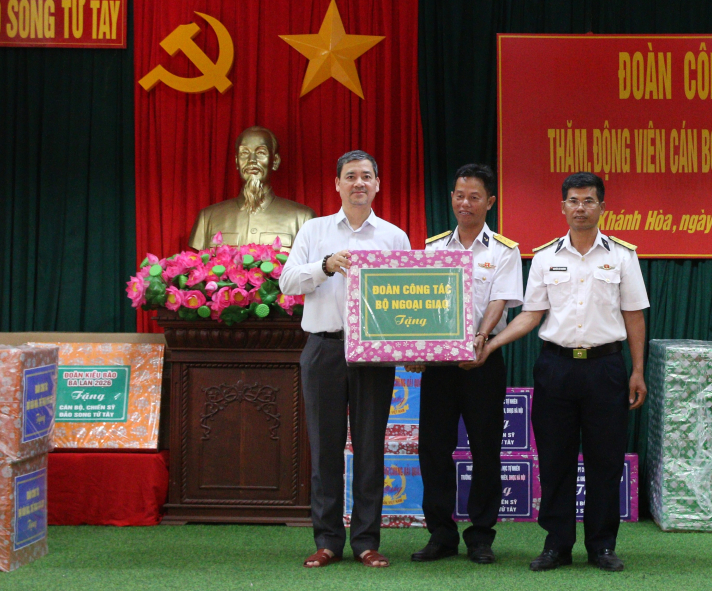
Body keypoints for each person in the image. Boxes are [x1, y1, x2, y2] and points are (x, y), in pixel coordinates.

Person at [472, 171, 648, 572]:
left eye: (588, 201)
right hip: (556, 367)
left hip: (606, 367)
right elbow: (530, 315)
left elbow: (634, 315)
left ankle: (602, 546)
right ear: (563, 207)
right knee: (555, 461)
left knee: (605, 461)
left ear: (602, 207)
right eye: (573, 201)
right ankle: (557, 544)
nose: (580, 208)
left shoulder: (622, 256)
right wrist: (490, 343)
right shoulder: (546, 257)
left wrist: (637, 370)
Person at [279, 150, 410, 568]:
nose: (359, 183)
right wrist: (325, 266)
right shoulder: (314, 230)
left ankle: (367, 541)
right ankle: (328, 541)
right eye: (350, 176)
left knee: (371, 448)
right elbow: (287, 281)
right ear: (337, 184)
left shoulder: (394, 236)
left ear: (377, 185)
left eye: (366, 176)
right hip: (324, 348)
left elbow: (408, 295)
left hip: (374, 355)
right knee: (325, 448)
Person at [411, 164, 524, 565]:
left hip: (483, 360)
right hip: (439, 366)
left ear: (489, 202)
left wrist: (481, 338)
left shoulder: (504, 251)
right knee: (433, 449)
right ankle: (441, 534)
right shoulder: (433, 249)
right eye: (459, 196)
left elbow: (500, 299)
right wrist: (418, 349)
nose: (465, 203)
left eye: (474, 197)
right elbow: (420, 305)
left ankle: (481, 536)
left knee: (485, 448)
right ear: (451, 199)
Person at [187, 126, 314, 251]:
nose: (251, 160)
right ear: (237, 161)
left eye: (261, 153)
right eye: (244, 153)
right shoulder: (207, 218)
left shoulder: (303, 218)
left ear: (275, 161)